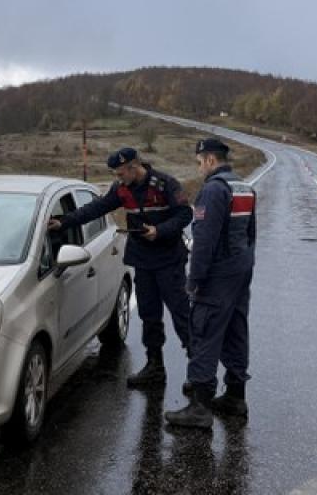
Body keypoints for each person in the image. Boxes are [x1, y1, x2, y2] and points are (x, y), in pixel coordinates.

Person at [49, 147, 193, 387]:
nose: (118, 178)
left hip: (169, 261)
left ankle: (198, 372)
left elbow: (185, 214)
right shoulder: (121, 189)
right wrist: (63, 222)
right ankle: (155, 368)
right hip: (143, 261)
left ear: (134, 167)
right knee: (149, 316)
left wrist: (159, 231)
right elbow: (96, 208)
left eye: (120, 173)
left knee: (181, 315)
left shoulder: (165, 184)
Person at [165, 137, 256, 429]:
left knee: (204, 333)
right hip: (240, 270)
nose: (200, 168)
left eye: (200, 162)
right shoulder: (243, 187)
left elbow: (204, 241)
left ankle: (200, 407)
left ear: (210, 160)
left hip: (217, 276)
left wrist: (194, 281)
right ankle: (235, 397)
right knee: (236, 331)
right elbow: (251, 234)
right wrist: (244, 265)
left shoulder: (214, 190)